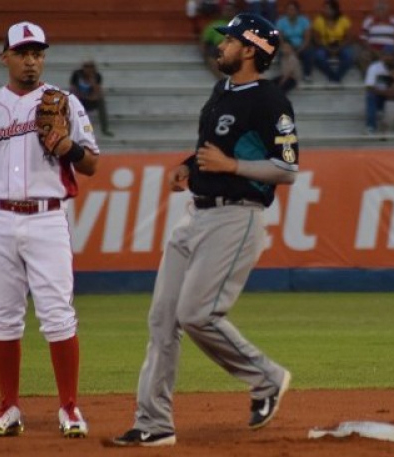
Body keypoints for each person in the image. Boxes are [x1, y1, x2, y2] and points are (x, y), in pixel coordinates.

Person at [111, 13, 297, 447]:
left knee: (197, 314)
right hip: (195, 213)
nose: (221, 44)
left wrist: (232, 167)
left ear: (250, 49)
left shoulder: (270, 102)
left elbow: (287, 169)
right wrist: (187, 166)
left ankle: (266, 377)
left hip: (236, 216)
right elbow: (209, 152)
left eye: (230, 40)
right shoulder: (222, 91)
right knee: (162, 320)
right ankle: (154, 423)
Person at [0, 21, 100, 439]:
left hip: (47, 217)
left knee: (58, 315)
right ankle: (8, 408)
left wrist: (66, 147)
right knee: (3, 317)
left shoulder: (65, 102)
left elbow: (91, 164)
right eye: (23, 52)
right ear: (5, 57)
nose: (31, 60)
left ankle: (70, 408)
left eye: (38, 52)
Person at [356, 0, 394, 74]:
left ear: (388, 10)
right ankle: (370, 80)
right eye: (379, 9)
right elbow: (363, 39)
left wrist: (392, 51)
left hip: (390, 50)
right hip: (372, 50)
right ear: (374, 10)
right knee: (363, 57)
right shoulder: (369, 20)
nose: (381, 11)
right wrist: (374, 51)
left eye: (383, 8)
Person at [312, 0, 355, 85]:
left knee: (349, 56)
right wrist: (326, 48)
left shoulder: (343, 19)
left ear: (335, 10)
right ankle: (333, 76)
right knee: (318, 57)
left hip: (340, 45)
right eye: (324, 8)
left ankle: (337, 76)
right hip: (324, 46)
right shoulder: (319, 20)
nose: (325, 10)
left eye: (328, 9)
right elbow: (316, 39)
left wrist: (339, 48)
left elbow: (350, 38)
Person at [69, 60, 114, 136]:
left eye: (91, 67)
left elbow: (98, 91)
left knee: (101, 102)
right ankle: (83, 131)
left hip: (91, 99)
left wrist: (92, 81)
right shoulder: (77, 75)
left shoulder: (97, 76)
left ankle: (104, 129)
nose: (89, 69)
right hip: (79, 99)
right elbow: (73, 90)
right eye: (86, 66)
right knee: (75, 104)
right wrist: (84, 97)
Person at [275, 0, 314, 83]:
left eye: (293, 9)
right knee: (281, 54)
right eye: (289, 9)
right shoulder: (281, 21)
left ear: (297, 11)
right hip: (287, 46)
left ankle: (307, 75)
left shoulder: (304, 21)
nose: (291, 11)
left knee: (309, 53)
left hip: (301, 45)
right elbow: (280, 38)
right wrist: (287, 49)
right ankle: (284, 74)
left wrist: (299, 50)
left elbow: (307, 38)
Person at [200, 1, 239, 79]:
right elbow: (204, 41)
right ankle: (221, 79)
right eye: (226, 10)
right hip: (219, 47)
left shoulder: (240, 24)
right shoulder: (214, 24)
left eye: (231, 10)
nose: (228, 12)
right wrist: (203, 52)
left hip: (235, 47)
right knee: (210, 58)